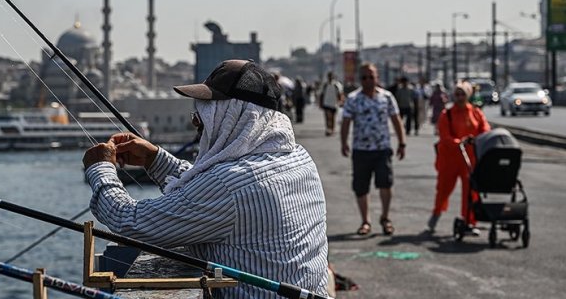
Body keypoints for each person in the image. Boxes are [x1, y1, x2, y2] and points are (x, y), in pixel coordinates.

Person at [83, 59, 329, 298]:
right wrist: (155, 159)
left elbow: (130, 222)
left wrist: (100, 168)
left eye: (204, 111)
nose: (196, 121)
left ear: (235, 115)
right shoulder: (299, 159)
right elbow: (209, 191)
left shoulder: (229, 186)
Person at [340, 63, 406, 236]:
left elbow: (396, 119)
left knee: (385, 183)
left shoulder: (387, 97)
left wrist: (402, 142)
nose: (368, 80)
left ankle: (385, 218)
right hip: (361, 149)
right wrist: (343, 142)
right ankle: (365, 221)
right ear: (359, 79)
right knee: (361, 187)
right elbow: (346, 121)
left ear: (377, 78)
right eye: (364, 77)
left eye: (371, 77)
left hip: (382, 148)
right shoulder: (353, 98)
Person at [427, 81, 491, 235]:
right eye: (457, 94)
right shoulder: (447, 114)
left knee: (470, 191)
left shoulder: (475, 112)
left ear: (468, 95)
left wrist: (479, 139)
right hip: (450, 158)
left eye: (463, 94)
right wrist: (459, 142)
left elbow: (485, 129)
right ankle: (437, 212)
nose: (460, 97)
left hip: (470, 159)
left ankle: (469, 221)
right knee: (443, 189)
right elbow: (445, 136)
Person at [319, 72, 344, 136]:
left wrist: (341, 101)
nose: (330, 78)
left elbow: (340, 93)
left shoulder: (337, 85)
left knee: (332, 117)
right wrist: (320, 103)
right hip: (326, 102)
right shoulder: (325, 85)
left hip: (334, 103)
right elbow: (321, 94)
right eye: (329, 76)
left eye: (331, 76)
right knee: (328, 117)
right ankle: (328, 129)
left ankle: (332, 129)